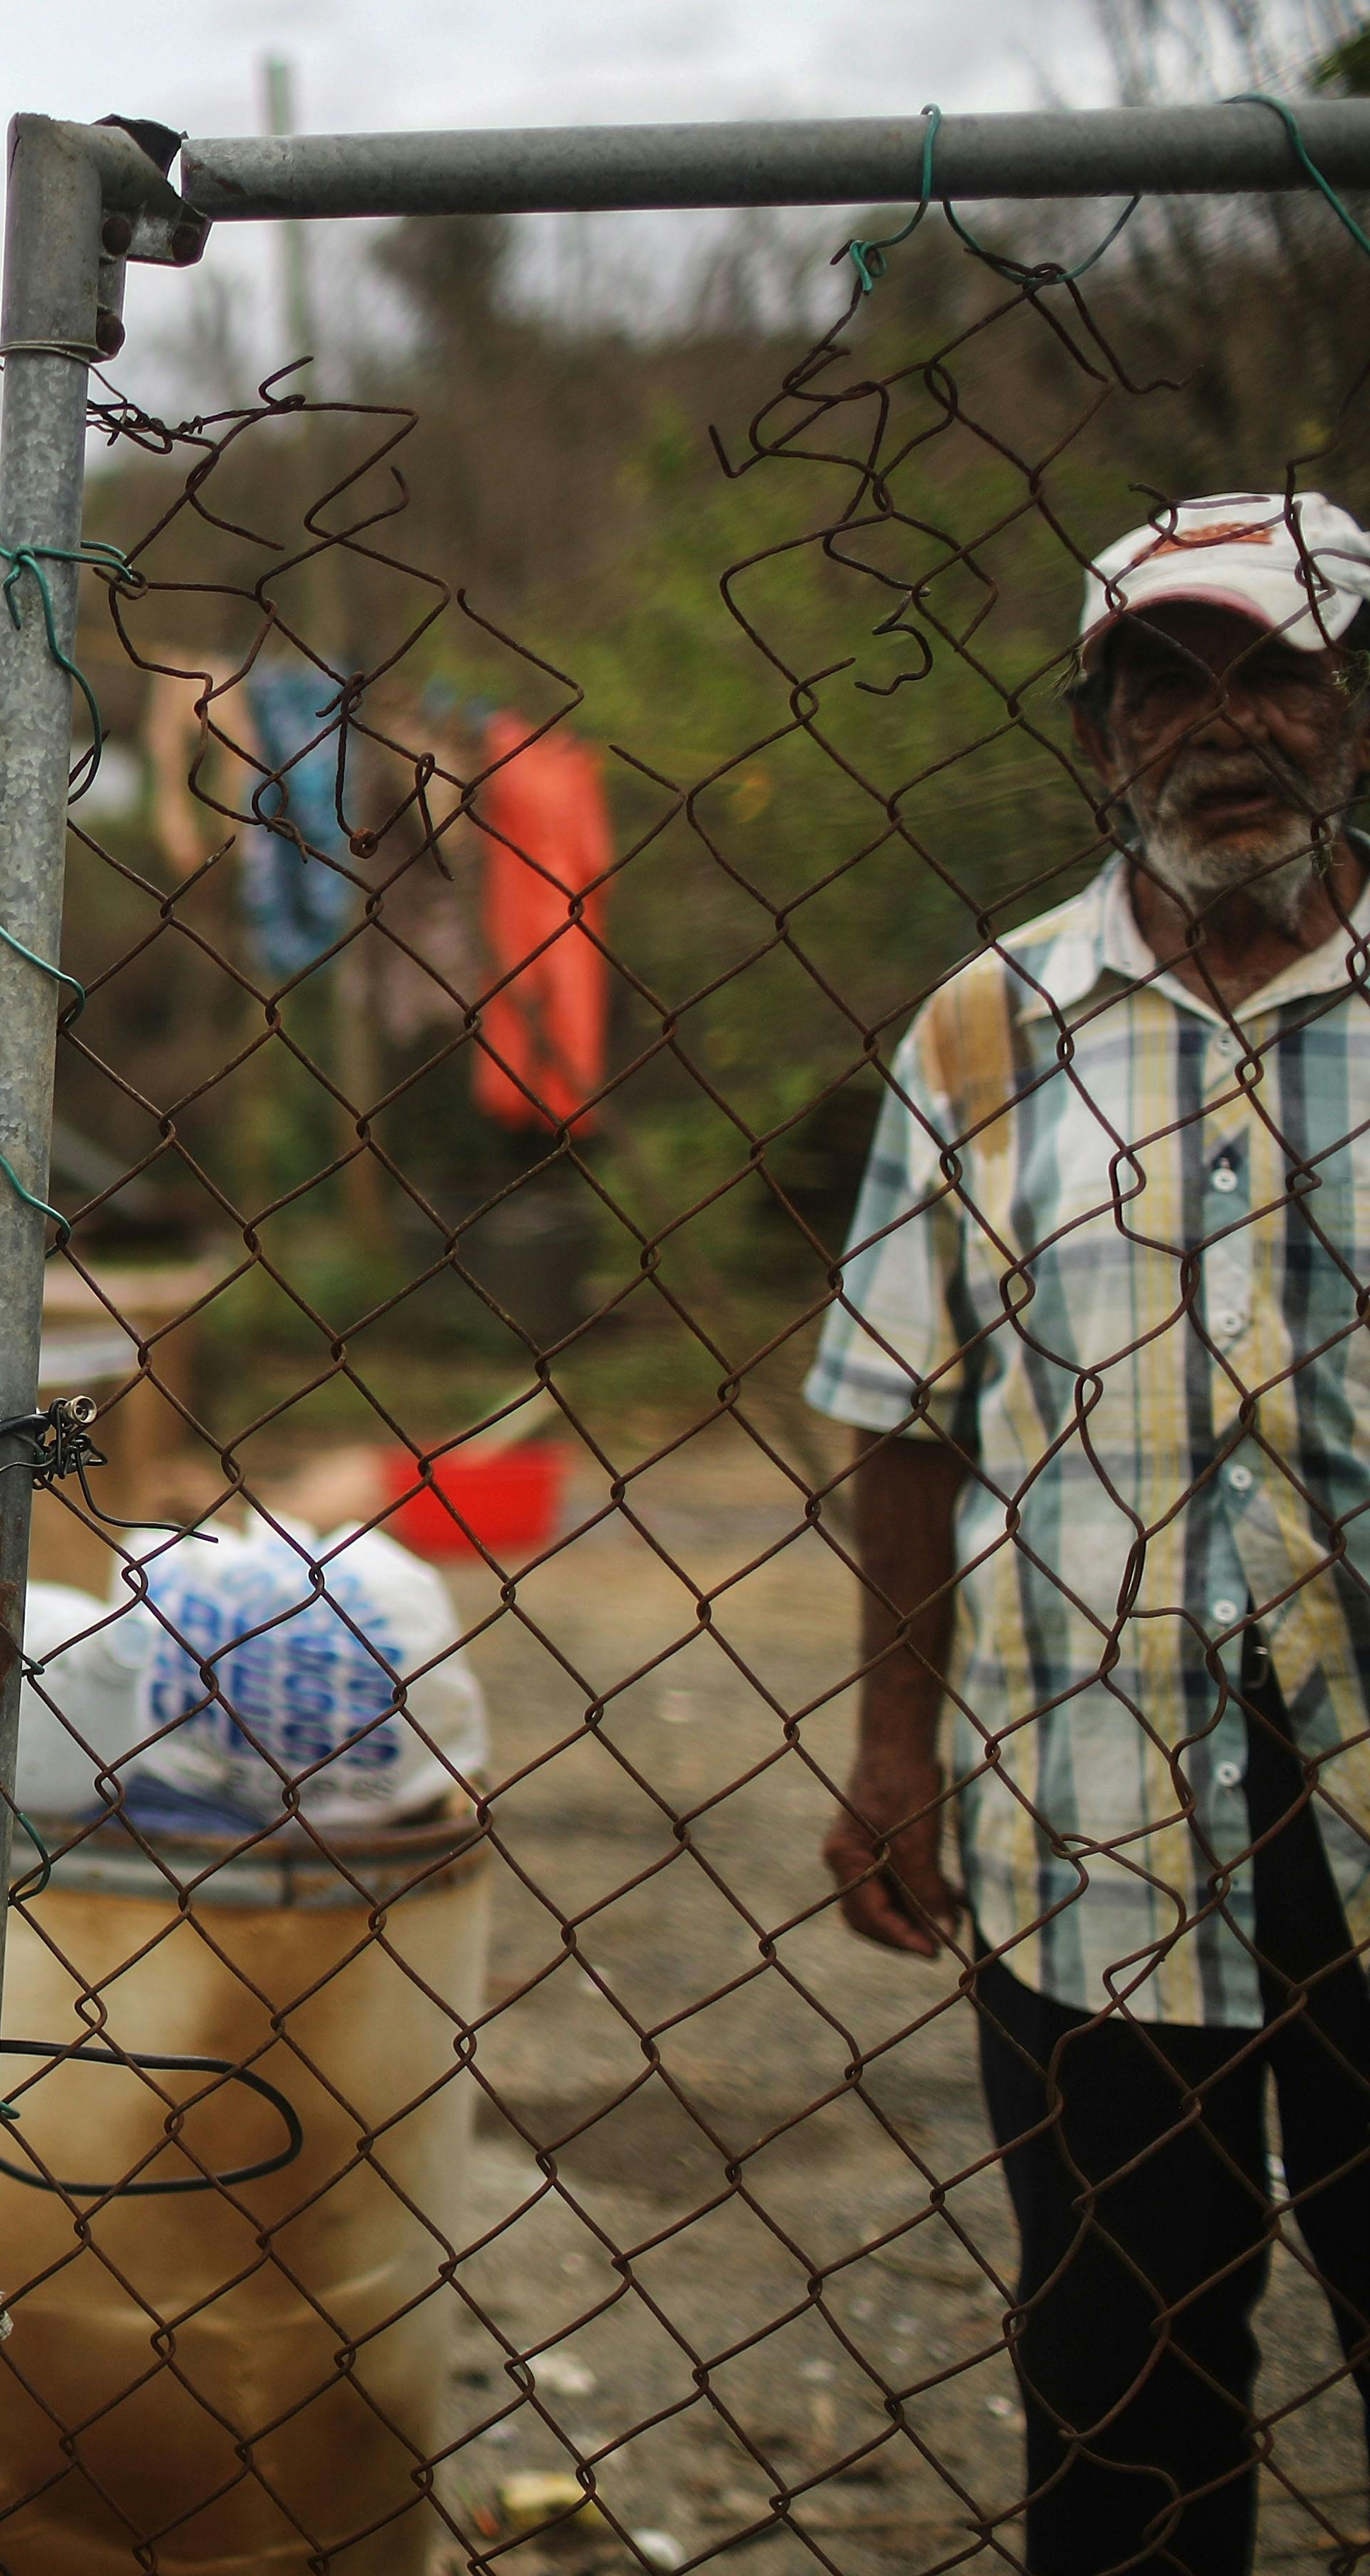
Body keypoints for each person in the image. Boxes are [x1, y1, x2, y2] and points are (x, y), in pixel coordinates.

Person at [809, 491, 1370, 2573]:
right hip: (1097, 1819)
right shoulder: (987, 1028)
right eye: (1164, 685)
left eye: (1273, 677)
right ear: (1099, 736)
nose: (1223, 729)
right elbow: (901, 1414)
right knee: (1126, 2389)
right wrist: (893, 1747)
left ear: (1353, 710)